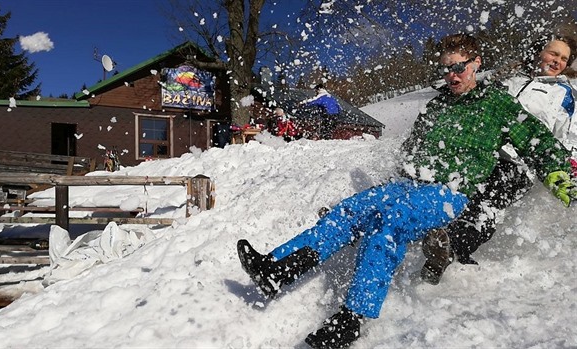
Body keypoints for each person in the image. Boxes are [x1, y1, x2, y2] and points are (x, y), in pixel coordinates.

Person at [237, 34, 576, 349]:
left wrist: (559, 173)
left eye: (459, 67)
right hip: (409, 184)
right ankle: (278, 270)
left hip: (449, 193)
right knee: (351, 210)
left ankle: (350, 321)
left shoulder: (496, 103)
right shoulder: (437, 105)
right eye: (446, 68)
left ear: (476, 63)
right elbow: (414, 147)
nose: (453, 75)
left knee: (389, 222)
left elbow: (538, 140)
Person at [420, 33, 577, 285]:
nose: (557, 60)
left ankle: (452, 247)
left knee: (489, 201)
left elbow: (568, 135)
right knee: (457, 191)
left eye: (564, 58)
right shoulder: (512, 82)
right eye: (553, 53)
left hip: (520, 163)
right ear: (539, 53)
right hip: (486, 152)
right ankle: (432, 238)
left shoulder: (565, 93)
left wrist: (565, 167)